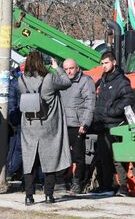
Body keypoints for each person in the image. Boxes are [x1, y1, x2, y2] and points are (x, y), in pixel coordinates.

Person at [19, 51, 72, 206]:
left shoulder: (21, 80)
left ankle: (29, 197)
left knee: (29, 161)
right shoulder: (49, 78)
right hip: (48, 126)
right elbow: (66, 82)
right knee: (50, 159)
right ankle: (49, 195)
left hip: (29, 126)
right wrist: (57, 67)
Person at [92, 51, 134, 197]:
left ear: (114, 62)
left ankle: (123, 186)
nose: (104, 66)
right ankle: (106, 185)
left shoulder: (122, 81)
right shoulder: (103, 80)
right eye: (102, 63)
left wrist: (112, 111)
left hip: (116, 124)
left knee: (118, 157)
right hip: (102, 124)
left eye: (106, 63)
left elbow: (128, 99)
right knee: (103, 156)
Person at [60, 58, 96, 195]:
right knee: (64, 155)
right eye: (66, 69)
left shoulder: (86, 81)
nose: (69, 71)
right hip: (63, 124)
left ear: (77, 68)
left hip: (77, 124)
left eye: (71, 68)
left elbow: (90, 103)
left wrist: (85, 123)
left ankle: (77, 183)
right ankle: (63, 182)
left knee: (78, 156)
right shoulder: (63, 80)